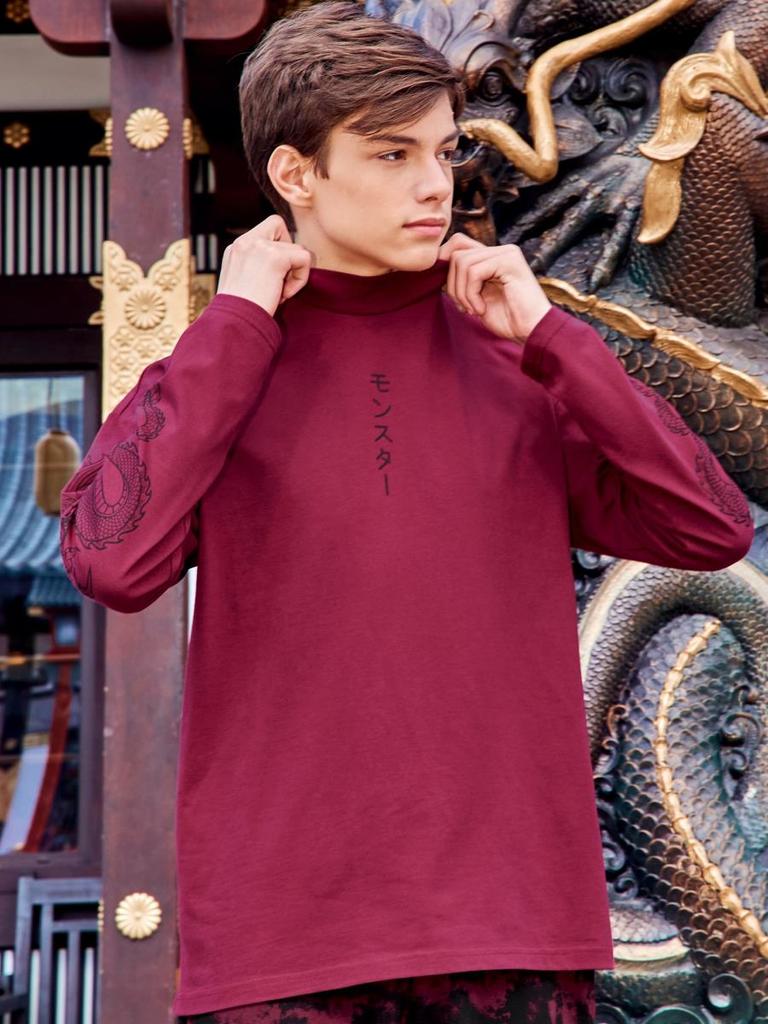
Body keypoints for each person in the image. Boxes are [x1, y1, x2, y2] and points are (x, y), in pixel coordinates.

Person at [58, 2, 755, 1023]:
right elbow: (109, 561)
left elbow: (710, 526)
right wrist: (236, 322)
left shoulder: (514, 355)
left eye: (441, 150)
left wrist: (556, 338)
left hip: (510, 932)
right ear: (296, 174)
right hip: (282, 942)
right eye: (391, 154)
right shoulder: (223, 370)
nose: (435, 184)